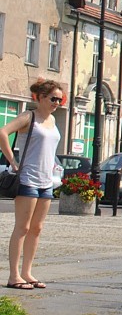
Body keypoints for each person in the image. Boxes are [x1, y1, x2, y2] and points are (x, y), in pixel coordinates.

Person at [0, 79, 63, 289]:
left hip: (46, 181)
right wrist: (13, 161)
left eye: (60, 100)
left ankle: (27, 272)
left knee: (36, 228)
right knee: (23, 227)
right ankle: (13, 276)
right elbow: (3, 132)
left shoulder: (53, 121)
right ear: (41, 97)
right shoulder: (29, 116)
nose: (57, 103)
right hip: (27, 179)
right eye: (53, 98)